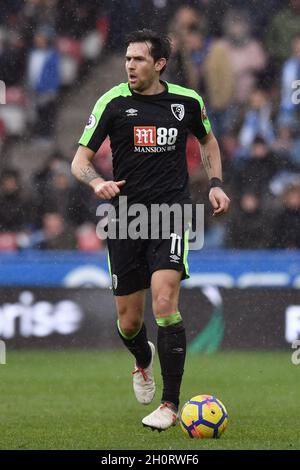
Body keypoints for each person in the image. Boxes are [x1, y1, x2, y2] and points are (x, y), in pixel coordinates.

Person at [71, 29, 230, 431]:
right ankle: (142, 361)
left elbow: (209, 143)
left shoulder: (185, 102)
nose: (129, 65)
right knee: (129, 322)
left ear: (159, 64)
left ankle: (170, 405)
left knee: (164, 303)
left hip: (171, 215)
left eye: (138, 59)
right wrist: (96, 182)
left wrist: (215, 184)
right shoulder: (112, 102)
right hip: (125, 219)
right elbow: (79, 160)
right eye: (127, 58)